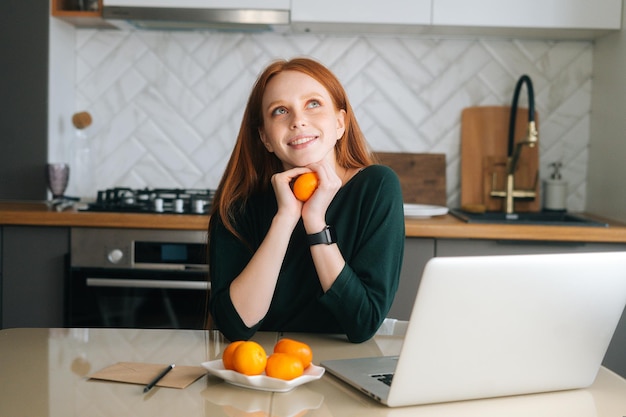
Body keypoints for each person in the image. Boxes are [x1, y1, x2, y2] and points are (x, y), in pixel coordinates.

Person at [208, 57, 405, 343]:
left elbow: (362, 323)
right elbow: (236, 328)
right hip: (261, 369)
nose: (297, 120)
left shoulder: (376, 187)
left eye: (313, 103)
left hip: (344, 368)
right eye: (280, 111)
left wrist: (315, 223)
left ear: (340, 123)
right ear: (265, 138)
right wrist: (285, 219)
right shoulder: (238, 203)